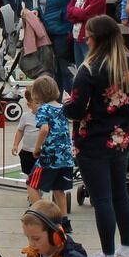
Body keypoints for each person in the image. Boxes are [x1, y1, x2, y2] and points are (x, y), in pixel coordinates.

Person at [63, 14, 129, 257]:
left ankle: (107, 256)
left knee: (102, 199)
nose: (86, 41)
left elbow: (76, 109)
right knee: (120, 193)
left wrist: (64, 106)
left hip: (92, 139)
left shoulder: (90, 68)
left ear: (97, 39)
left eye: (88, 37)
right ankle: (126, 248)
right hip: (121, 136)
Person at [26, 75, 78, 205]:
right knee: (58, 190)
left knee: (32, 184)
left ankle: (41, 213)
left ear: (37, 94)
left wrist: (37, 148)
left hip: (50, 156)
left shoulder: (43, 109)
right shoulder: (62, 108)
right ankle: (63, 217)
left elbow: (44, 129)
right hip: (65, 156)